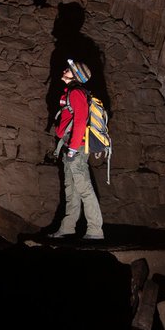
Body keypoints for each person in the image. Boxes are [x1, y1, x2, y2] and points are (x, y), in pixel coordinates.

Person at [50, 59, 105, 240]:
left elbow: (81, 121)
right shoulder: (70, 92)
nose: (65, 69)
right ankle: (67, 228)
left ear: (75, 75)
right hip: (70, 147)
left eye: (69, 69)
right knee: (71, 189)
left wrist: (73, 149)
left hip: (77, 148)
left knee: (84, 188)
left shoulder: (76, 93)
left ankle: (95, 230)